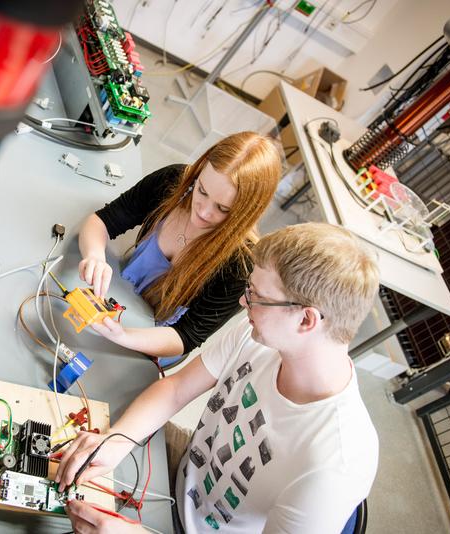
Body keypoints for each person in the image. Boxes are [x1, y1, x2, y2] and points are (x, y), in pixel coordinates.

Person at [57, 222, 381, 533]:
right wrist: (117, 441)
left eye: (256, 295)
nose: (243, 302)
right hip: (182, 472)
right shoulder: (258, 335)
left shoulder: (336, 465)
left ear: (306, 320)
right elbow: (176, 389)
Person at [77, 132, 281, 362]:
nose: (203, 212)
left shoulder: (239, 265)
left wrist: (123, 336)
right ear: (199, 171)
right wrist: (94, 256)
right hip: (119, 297)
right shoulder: (173, 182)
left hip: (155, 341)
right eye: (202, 190)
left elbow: (186, 336)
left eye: (223, 208)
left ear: (246, 212)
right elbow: (104, 220)